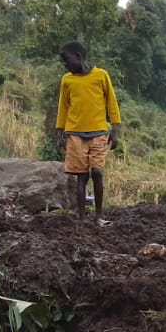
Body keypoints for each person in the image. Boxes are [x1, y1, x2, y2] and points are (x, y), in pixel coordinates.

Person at [56, 41, 120, 220]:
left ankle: (99, 216)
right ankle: (82, 220)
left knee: (97, 172)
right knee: (81, 177)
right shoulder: (67, 80)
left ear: (78, 56)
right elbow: (63, 107)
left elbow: (111, 102)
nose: (66, 65)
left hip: (99, 132)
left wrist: (115, 128)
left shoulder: (101, 76)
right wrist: (60, 132)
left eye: (67, 60)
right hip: (75, 133)